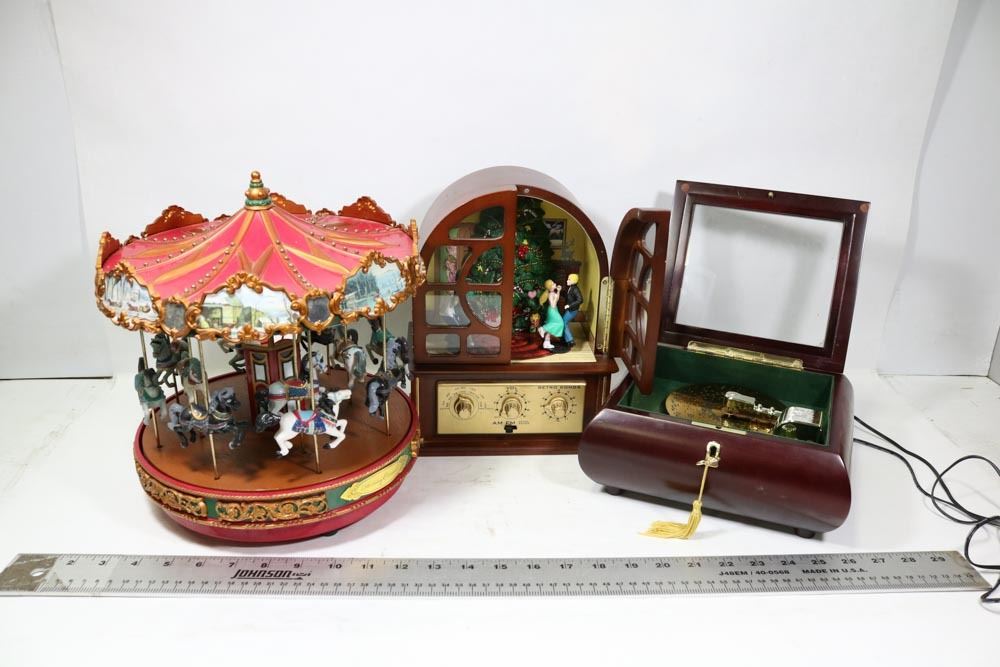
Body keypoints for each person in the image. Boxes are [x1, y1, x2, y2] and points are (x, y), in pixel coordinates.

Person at [537, 282, 564, 350]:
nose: (555, 283)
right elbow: (553, 305)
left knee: (551, 327)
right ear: (550, 287)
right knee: (560, 323)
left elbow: (556, 300)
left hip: (553, 310)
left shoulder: (552, 293)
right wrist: (557, 295)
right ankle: (543, 329)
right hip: (553, 311)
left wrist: (558, 291)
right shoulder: (551, 294)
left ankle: (546, 343)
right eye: (553, 284)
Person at [562, 273, 582, 346]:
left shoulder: (575, 289)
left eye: (569, 279)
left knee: (564, 322)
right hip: (570, 310)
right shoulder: (571, 287)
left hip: (573, 310)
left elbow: (580, 300)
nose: (567, 281)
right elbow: (568, 296)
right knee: (564, 322)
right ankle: (567, 339)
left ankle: (570, 340)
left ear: (573, 281)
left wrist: (569, 305)